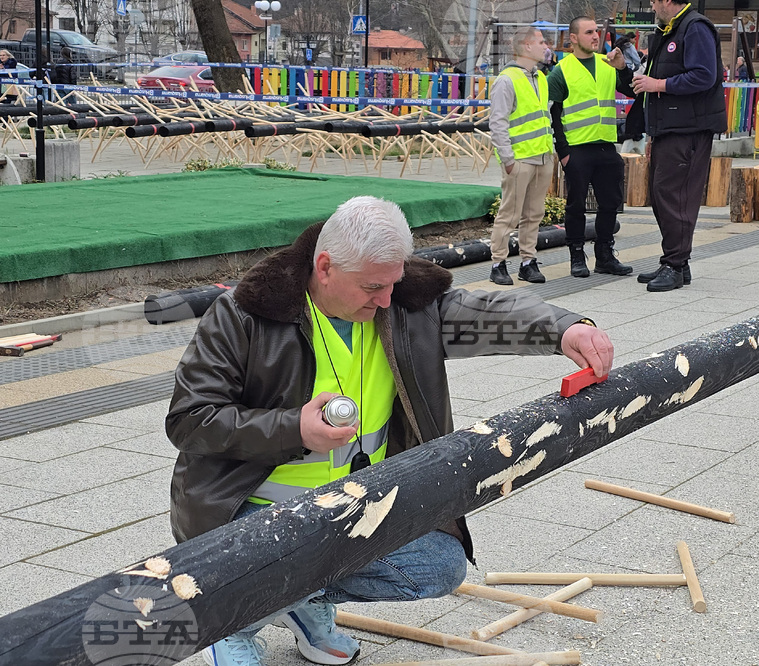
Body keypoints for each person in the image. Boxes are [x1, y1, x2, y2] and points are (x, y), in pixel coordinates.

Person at [166, 196, 615, 666]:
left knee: (437, 566)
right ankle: (236, 620)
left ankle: (295, 599)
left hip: (356, 501)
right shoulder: (242, 314)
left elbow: (487, 312)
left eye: (393, 283)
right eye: (372, 287)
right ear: (325, 267)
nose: (385, 300)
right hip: (252, 510)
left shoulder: (403, 303)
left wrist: (563, 329)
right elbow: (189, 418)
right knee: (273, 564)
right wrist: (293, 428)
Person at [630, 0, 727, 292]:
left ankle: (675, 264)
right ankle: (675, 261)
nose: (651, 4)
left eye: (655, 0)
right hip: (669, 127)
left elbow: (703, 75)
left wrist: (657, 85)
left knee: (676, 196)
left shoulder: (694, 27)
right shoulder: (669, 29)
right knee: (662, 194)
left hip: (689, 128)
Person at [548, 16, 635, 278]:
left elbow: (632, 90)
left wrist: (622, 68)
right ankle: (576, 256)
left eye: (596, 31)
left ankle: (605, 256)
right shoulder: (561, 71)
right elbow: (552, 116)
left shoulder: (607, 64)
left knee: (610, 203)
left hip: (606, 147)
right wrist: (563, 154)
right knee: (576, 205)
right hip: (577, 150)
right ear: (573, 38)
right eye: (589, 32)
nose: (596, 36)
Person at [487, 26, 554, 285]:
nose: (545, 45)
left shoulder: (541, 78)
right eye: (540, 41)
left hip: (542, 156)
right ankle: (498, 263)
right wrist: (508, 159)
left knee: (534, 213)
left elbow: (542, 118)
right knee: (510, 214)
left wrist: (551, 151)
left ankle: (528, 261)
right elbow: (498, 122)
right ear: (526, 46)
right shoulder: (507, 80)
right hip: (520, 159)